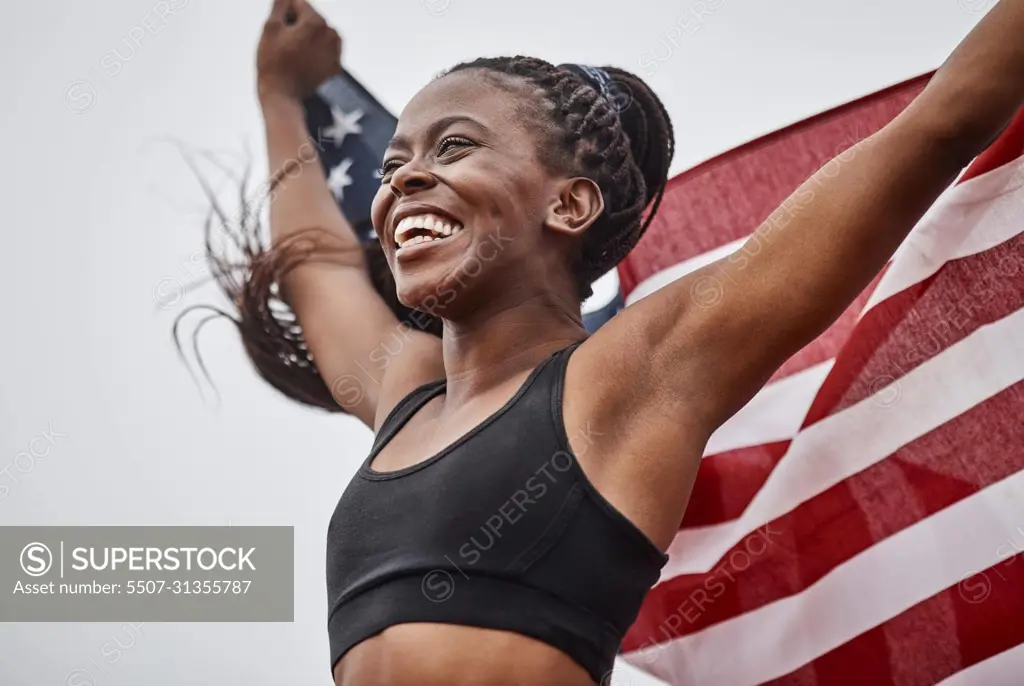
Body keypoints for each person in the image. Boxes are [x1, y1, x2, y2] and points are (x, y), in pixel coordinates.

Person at [218, 0, 1024, 683]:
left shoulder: (635, 373)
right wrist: (277, 94)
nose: (401, 181)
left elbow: (939, 125)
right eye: (393, 166)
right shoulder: (402, 390)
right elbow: (317, 266)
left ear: (569, 206)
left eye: (454, 146)